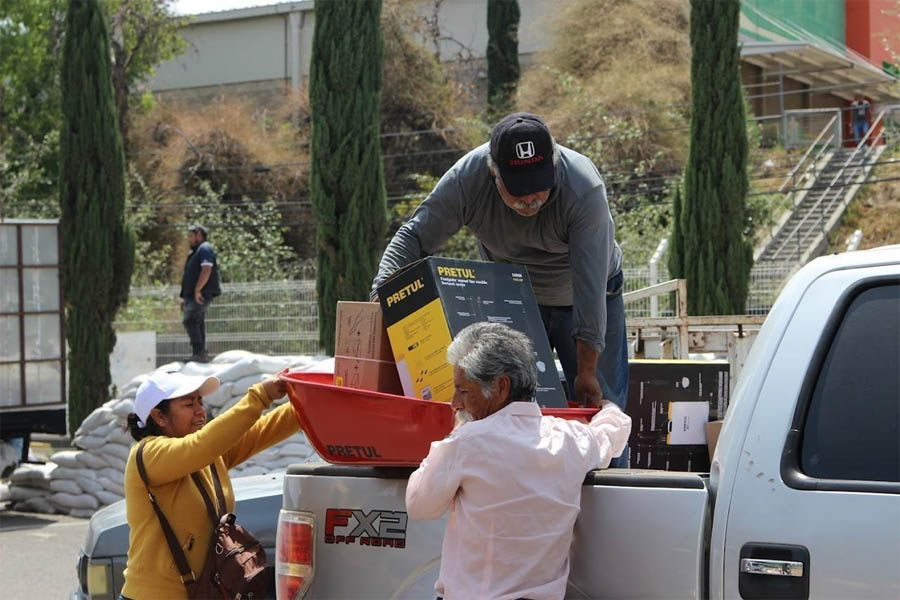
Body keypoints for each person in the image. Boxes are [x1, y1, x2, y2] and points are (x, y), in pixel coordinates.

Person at [371, 113, 628, 456]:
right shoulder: (467, 180)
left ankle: (609, 490)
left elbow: (590, 285)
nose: (531, 199)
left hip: (585, 297)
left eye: (539, 186)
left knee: (600, 408)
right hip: (513, 299)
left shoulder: (582, 188)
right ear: (494, 173)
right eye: (519, 191)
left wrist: (586, 369)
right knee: (505, 409)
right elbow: (414, 237)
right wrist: (378, 301)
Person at [405, 322, 631, 600]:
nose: (455, 403)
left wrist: (454, 434)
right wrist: (605, 407)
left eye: (463, 391)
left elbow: (418, 505)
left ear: (501, 387)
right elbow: (616, 426)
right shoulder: (570, 439)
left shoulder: (467, 442)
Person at [119, 370, 299, 600]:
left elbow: (261, 432)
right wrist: (260, 396)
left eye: (200, 401)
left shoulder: (206, 454)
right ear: (159, 417)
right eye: (188, 404)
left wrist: (305, 404)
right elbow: (200, 446)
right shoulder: (149, 454)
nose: (199, 411)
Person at [180, 224, 221, 362]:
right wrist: (184, 297)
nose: (189, 239)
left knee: (191, 320)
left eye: (191, 236)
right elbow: (189, 276)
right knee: (196, 322)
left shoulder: (205, 249)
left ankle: (199, 353)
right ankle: (199, 353)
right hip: (192, 295)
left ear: (199, 235)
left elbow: (206, 270)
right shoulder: (195, 252)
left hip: (200, 294)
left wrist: (198, 289)